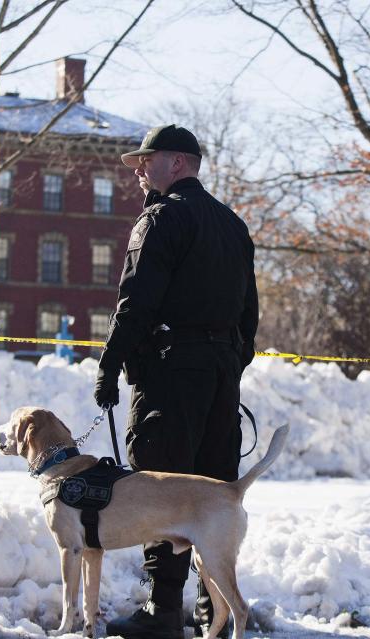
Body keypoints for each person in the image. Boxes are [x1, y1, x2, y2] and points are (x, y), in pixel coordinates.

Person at [94, 124, 259, 638]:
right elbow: (249, 314)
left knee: (161, 489)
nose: (140, 170)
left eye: (148, 160)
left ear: (179, 163)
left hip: (169, 373)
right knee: (209, 490)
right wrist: (230, 364)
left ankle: (162, 611)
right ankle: (215, 610)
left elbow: (135, 302)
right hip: (220, 374)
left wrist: (110, 364)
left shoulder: (160, 220)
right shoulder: (233, 225)